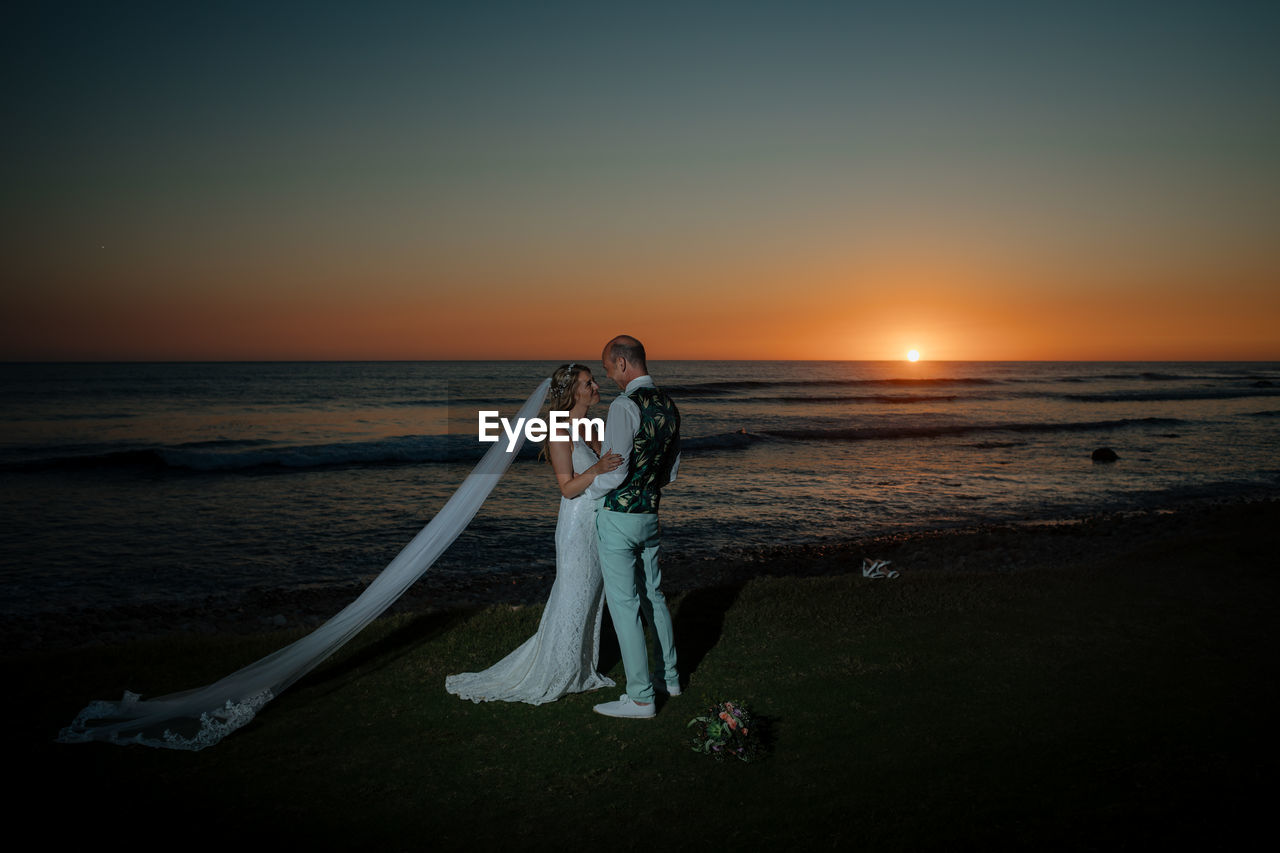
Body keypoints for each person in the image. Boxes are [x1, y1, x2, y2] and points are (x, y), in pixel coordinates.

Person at [445, 364, 623, 704]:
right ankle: (559, 670)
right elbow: (567, 488)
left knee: (591, 596)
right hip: (576, 525)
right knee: (574, 595)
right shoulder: (559, 431)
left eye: (593, 381)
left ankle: (582, 667)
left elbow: (607, 474)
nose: (596, 386)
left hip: (599, 522)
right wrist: (598, 468)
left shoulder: (591, 425)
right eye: (588, 383)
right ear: (573, 392)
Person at [587, 335, 681, 720]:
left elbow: (614, 469)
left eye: (609, 369)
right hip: (650, 516)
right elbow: (670, 472)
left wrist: (585, 489)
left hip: (619, 518)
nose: (609, 377)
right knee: (654, 596)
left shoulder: (624, 406)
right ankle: (669, 679)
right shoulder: (669, 405)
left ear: (623, 363)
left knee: (625, 607)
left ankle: (641, 697)